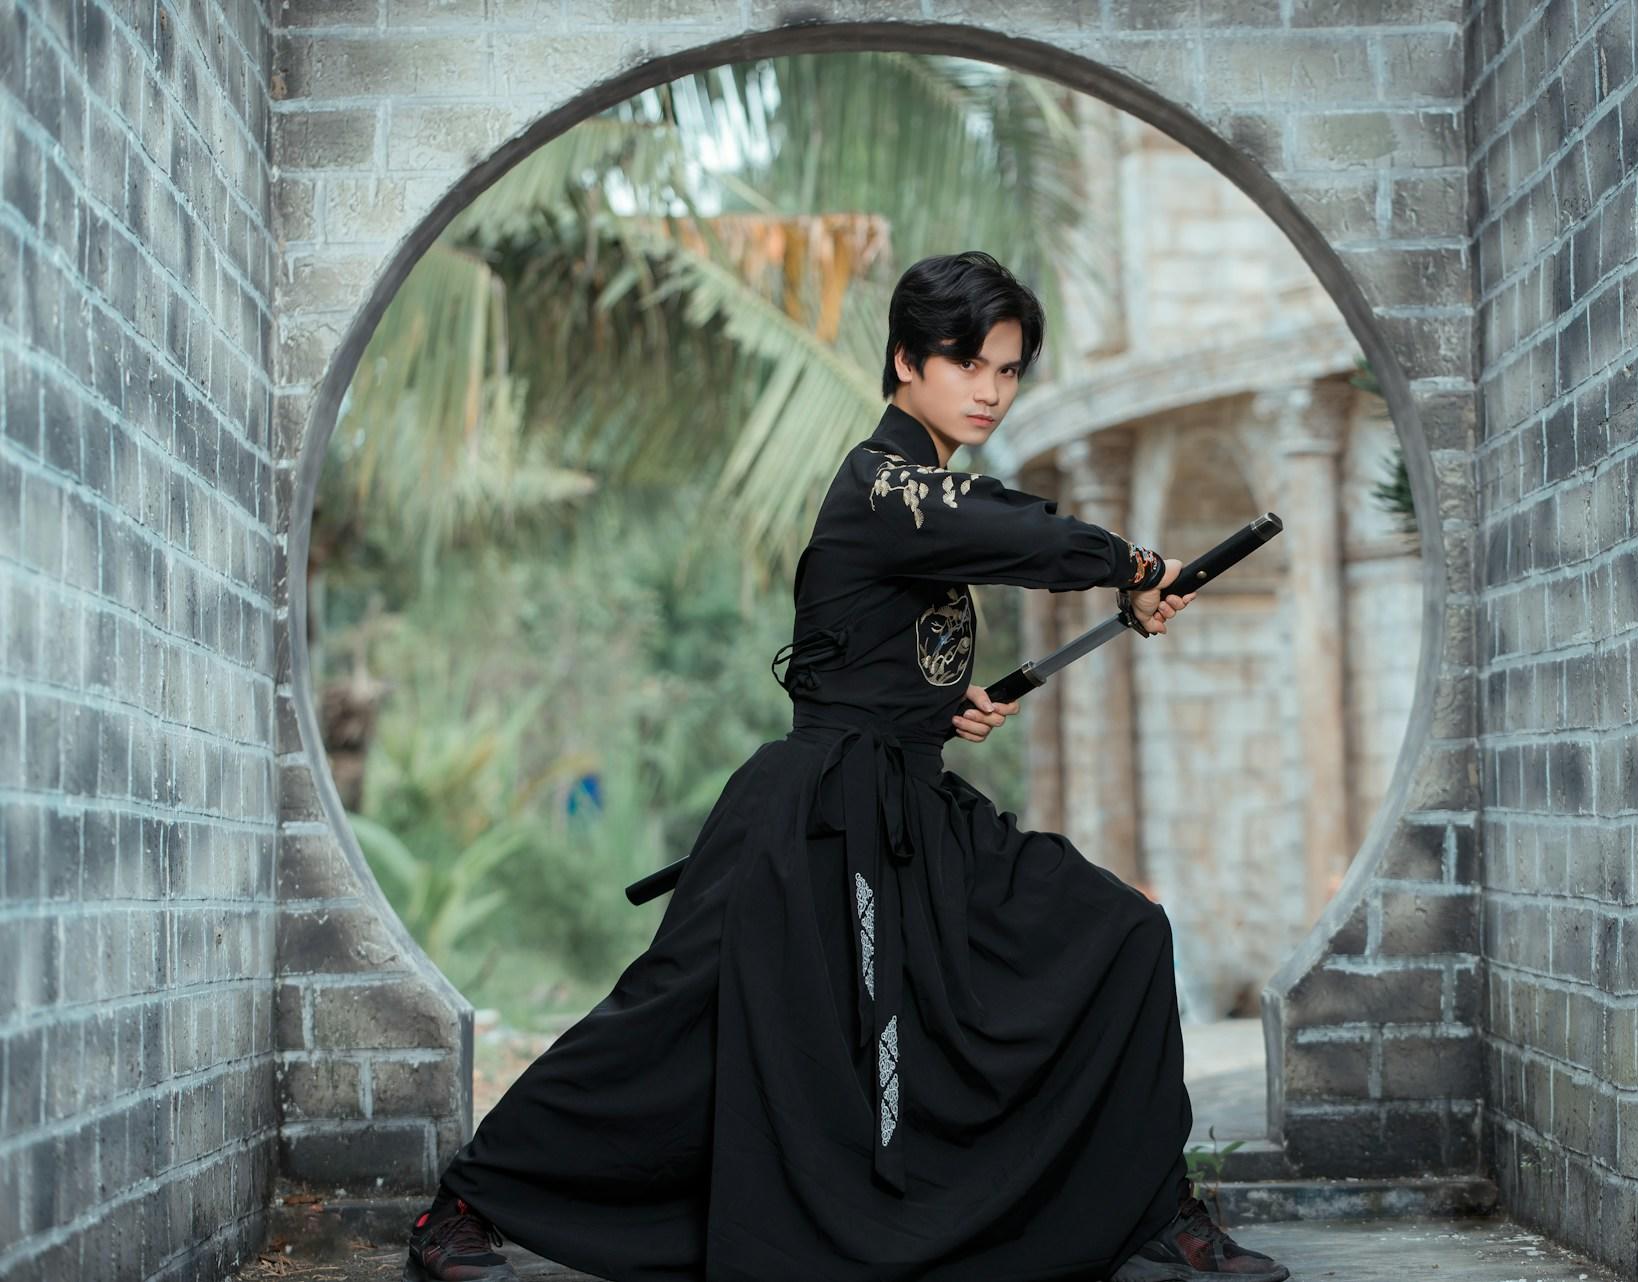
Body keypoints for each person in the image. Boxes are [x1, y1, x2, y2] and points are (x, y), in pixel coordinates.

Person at [403, 251, 1291, 1282]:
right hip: (811, 818)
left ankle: (1150, 1205)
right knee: (670, 1020)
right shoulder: (884, 483)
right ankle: (465, 1203)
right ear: (907, 360)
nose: (992, 389)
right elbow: (1011, 530)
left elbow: (888, 637)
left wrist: (939, 708)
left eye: (1008, 369)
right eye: (969, 363)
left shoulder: (921, 494)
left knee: (1121, 934)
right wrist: (1138, 567)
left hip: (911, 805)